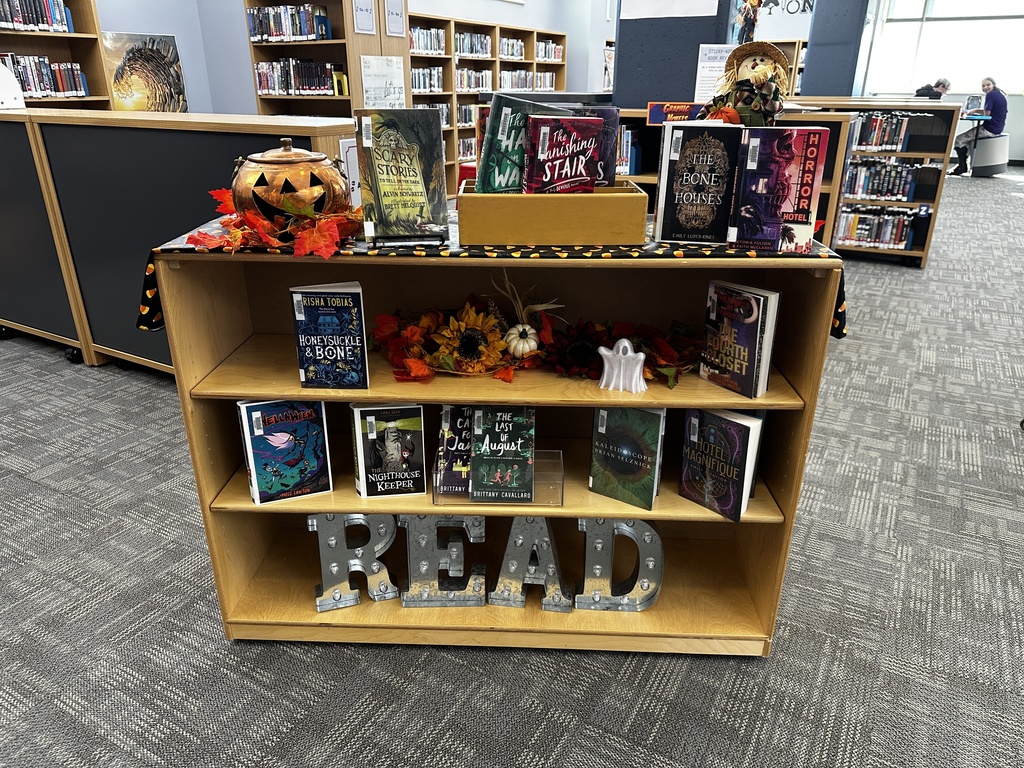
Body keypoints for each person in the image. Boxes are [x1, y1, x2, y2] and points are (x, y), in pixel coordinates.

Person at [950, 77, 1008, 175]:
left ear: (993, 85)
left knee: (959, 140)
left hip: (990, 128)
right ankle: (963, 165)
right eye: (983, 86)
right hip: (998, 127)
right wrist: (975, 110)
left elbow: (986, 114)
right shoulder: (999, 95)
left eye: (988, 85)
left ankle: (962, 167)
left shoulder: (990, 95)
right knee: (967, 140)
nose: (985, 87)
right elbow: (989, 112)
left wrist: (974, 111)